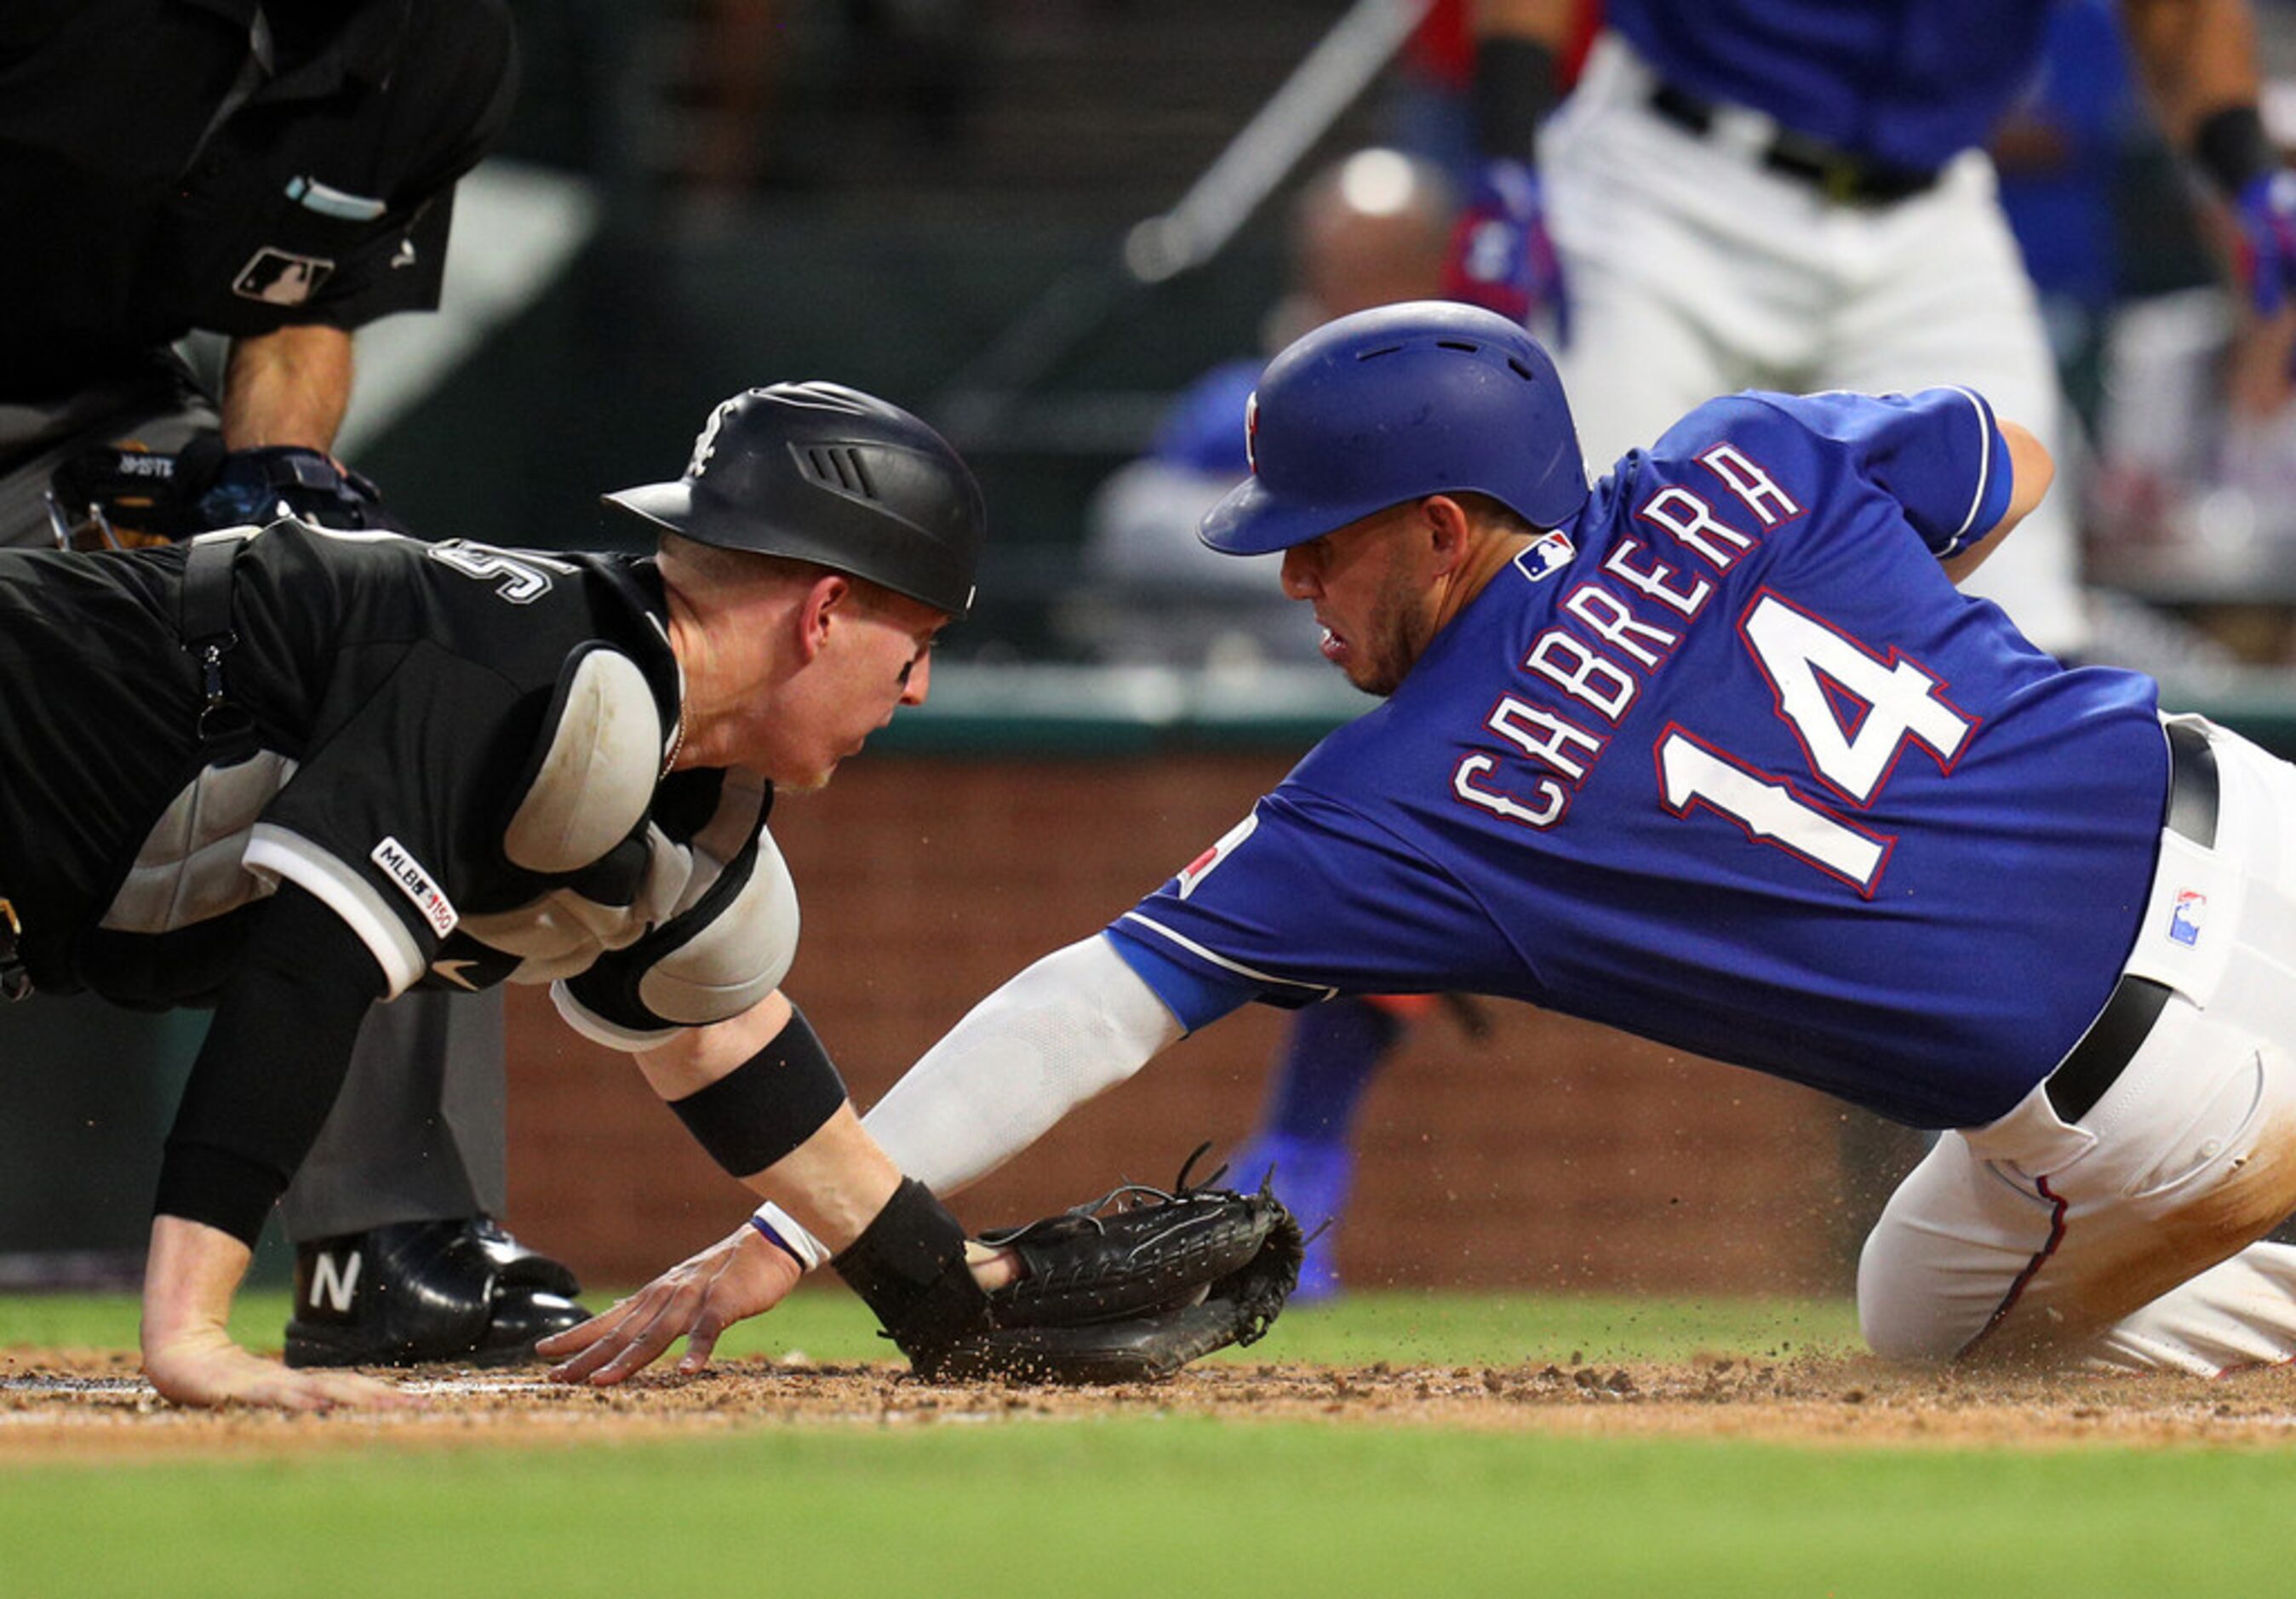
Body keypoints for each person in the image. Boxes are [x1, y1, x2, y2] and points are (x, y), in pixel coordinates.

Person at [548, 301, 2296, 1388]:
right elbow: (2009, 458)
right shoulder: (1739, 458)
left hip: (2128, 1088)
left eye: (1320, 547)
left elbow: (1087, 1008)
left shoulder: (1405, 791)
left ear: (1444, 527)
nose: (1293, 584)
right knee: (1915, 1276)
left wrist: (795, 1236)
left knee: (1939, 1352)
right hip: (2233, 806)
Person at [0, 380, 988, 1408]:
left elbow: (713, 1039)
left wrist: (938, 1282)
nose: (916, 688)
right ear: (825, 613)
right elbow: (305, 973)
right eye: (915, 646)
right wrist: (189, 1333)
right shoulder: (519, 669)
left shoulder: (659, 763)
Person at [0, 1, 584, 1367]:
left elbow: (310, 298)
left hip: (95, 411)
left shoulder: (441, 48)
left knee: (397, 644)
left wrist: (275, 487)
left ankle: (391, 1237)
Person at [1450, 0, 2296, 664]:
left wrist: (2253, 178)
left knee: (2014, 633)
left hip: (1928, 209)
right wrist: (1507, 152)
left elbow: (2178, 13)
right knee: (1567, 601)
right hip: (1665, 176)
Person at [1079, 147, 1476, 1300]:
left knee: (1406, 905)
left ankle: (1295, 1168)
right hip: (1275, 704)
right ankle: (1287, 1172)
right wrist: (1339, 569)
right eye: (1334, 265)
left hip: (1437, 725)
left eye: (1378, 266)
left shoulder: (1482, 392)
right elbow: (1137, 528)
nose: (1345, 286)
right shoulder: (1247, 399)